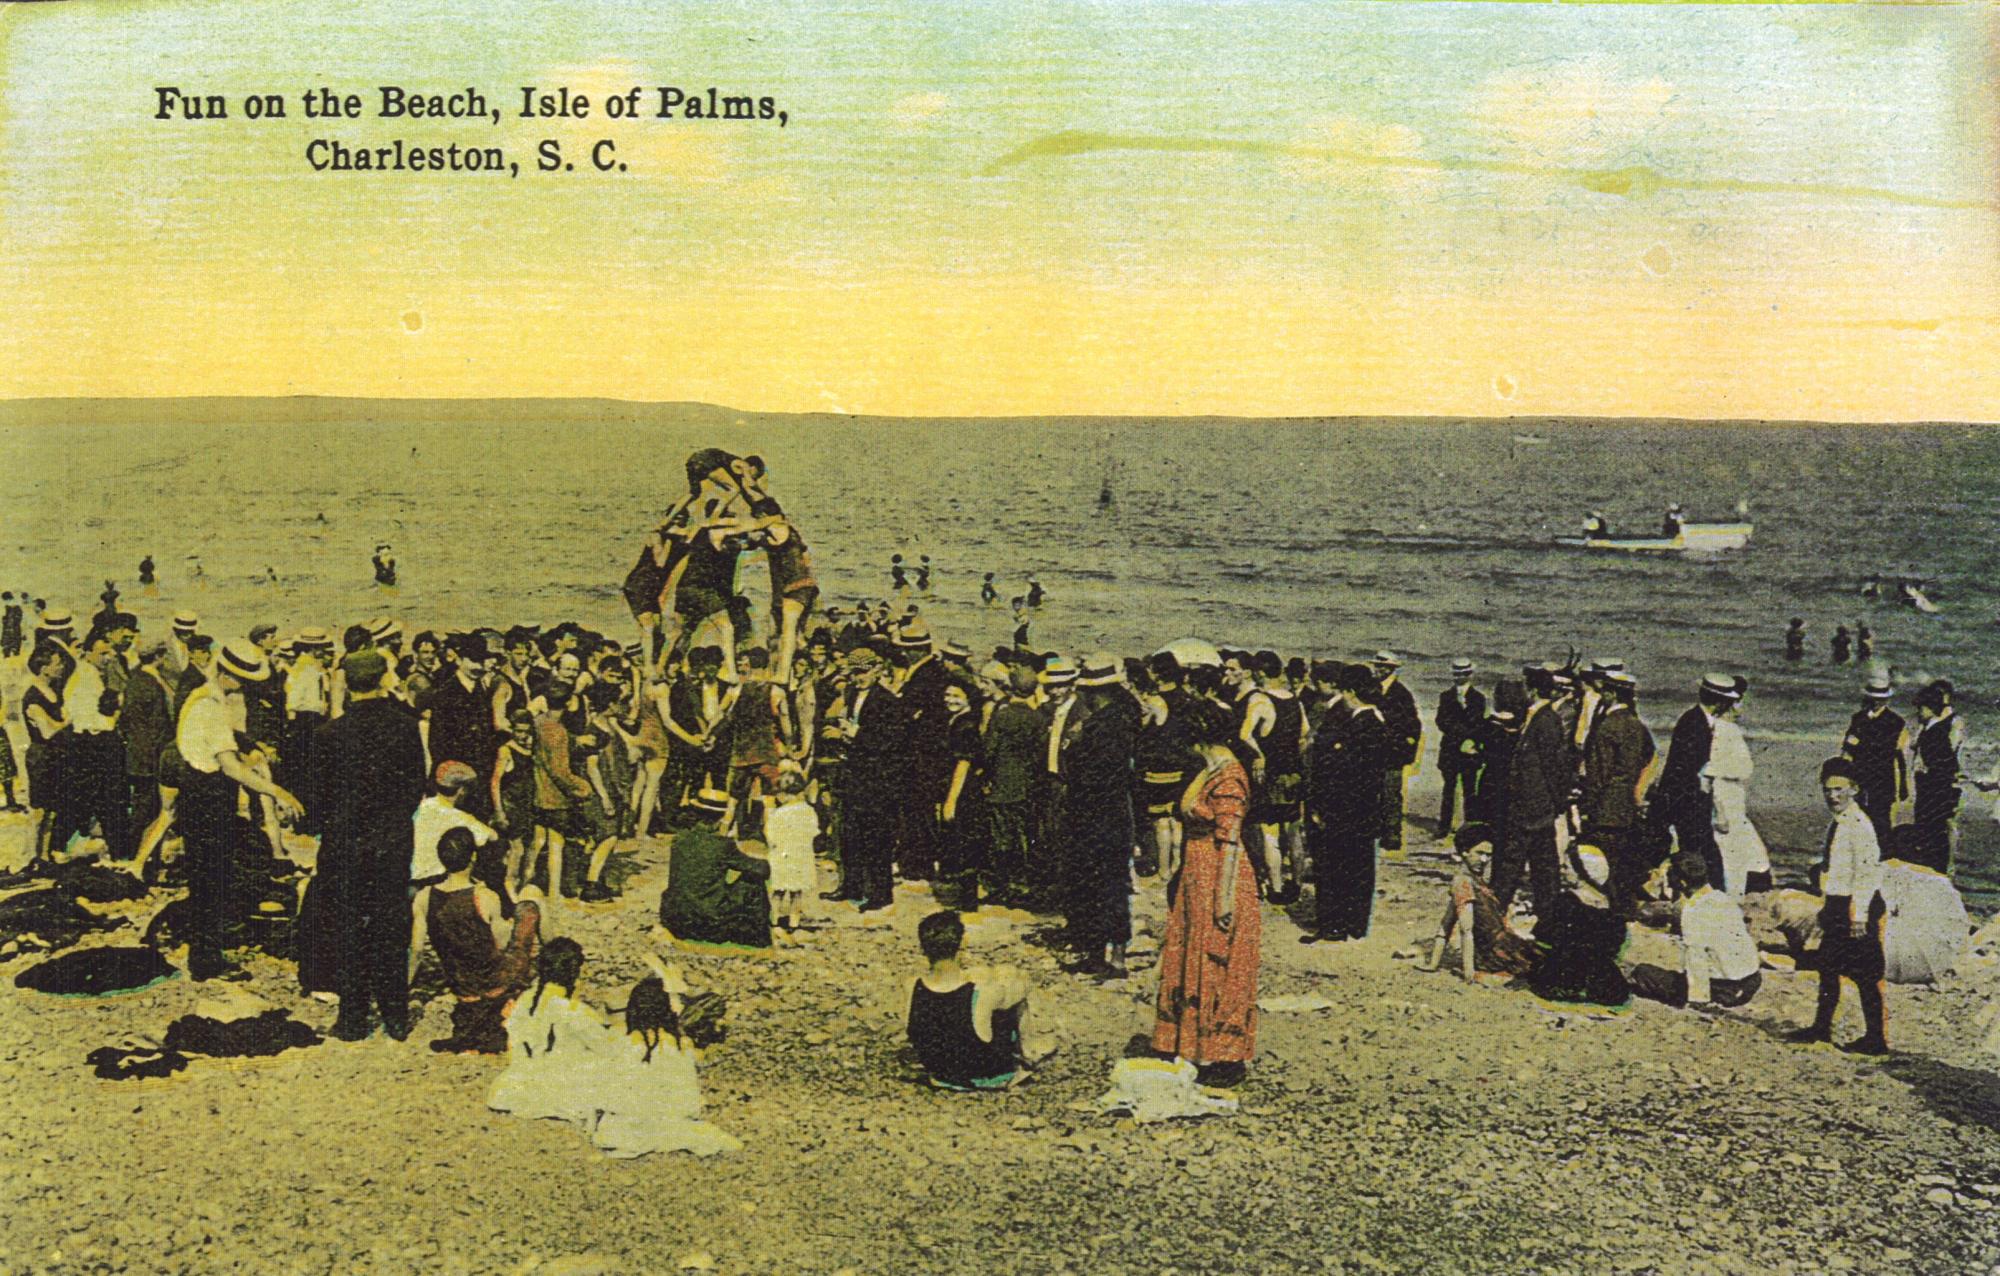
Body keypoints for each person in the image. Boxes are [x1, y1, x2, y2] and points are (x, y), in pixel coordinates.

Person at [315, 649, 427, 1039]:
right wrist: (392, 821)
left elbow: (318, 798)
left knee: (347, 927)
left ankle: (352, 1018)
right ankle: (395, 1016)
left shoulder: (330, 734)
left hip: (344, 842)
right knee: (391, 924)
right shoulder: (405, 726)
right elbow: (416, 785)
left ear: (347, 684)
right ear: (382, 680)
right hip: (391, 840)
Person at [176, 640, 304, 981]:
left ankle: (206, 951)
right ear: (228, 676)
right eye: (242, 683)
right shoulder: (212, 708)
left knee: (209, 878)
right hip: (208, 795)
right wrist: (277, 792)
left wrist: (249, 745)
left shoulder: (202, 696)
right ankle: (205, 961)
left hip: (198, 793)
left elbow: (228, 738)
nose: (244, 690)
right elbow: (231, 767)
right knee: (210, 880)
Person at [1151, 700, 1258, 1088]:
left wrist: (1225, 898)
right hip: (1198, 870)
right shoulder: (1211, 769)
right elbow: (1186, 807)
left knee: (1218, 957)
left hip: (1218, 873)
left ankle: (1224, 1054)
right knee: (1191, 949)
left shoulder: (1229, 777)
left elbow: (1230, 840)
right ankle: (1190, 1042)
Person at [411, 827, 544, 1053]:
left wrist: (407, 984)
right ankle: (555, 963)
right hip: (497, 980)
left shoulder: (424, 897)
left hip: (463, 986)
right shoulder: (483, 896)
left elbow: (416, 951)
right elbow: (503, 945)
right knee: (531, 898)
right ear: (473, 857)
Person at [1788, 758, 1889, 1054]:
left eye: (1839, 789)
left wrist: (1859, 916)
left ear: (1854, 789)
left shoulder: (1860, 825)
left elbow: (1867, 874)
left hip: (1856, 908)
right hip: (1838, 904)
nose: (1833, 796)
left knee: (1866, 975)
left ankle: (1876, 1039)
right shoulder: (1841, 821)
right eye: (1828, 790)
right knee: (1828, 968)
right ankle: (1821, 1028)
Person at [588, 971, 740, 1157]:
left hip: (622, 1129)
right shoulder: (679, 1045)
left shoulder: (622, 1040)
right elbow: (688, 1100)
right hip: (668, 1124)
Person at [907, 910, 1052, 1090]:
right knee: (1012, 994)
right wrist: (1015, 976)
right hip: (981, 1075)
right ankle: (1028, 1053)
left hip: (939, 1072)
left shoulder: (913, 986)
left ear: (923, 949)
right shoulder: (982, 992)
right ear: (961, 946)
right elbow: (1021, 991)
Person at [1063, 654, 1139, 977]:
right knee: (1112, 886)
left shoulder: (1100, 727)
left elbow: (1086, 775)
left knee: (1097, 885)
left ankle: (1103, 954)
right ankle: (1113, 954)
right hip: (1115, 814)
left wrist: (1072, 746)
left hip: (1094, 815)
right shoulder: (1123, 718)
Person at [1303, 662, 1386, 943]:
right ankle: (1354, 923)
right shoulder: (1373, 721)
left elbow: (1342, 775)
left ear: (1351, 691)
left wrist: (1321, 808)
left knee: (1335, 867)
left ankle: (1335, 924)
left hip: (1343, 809)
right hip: (1364, 809)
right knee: (1359, 868)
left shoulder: (1361, 725)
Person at [488, 938, 614, 1123]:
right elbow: (607, 1047)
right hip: (559, 1086)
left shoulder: (526, 1000)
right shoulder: (572, 1010)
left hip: (516, 1085)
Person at [1650, 673, 1737, 900]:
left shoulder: (1694, 720)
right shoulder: (1696, 723)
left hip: (1685, 798)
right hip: (1687, 799)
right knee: (1701, 850)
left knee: (1697, 849)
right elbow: (1685, 769)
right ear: (1720, 702)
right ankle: (1714, 894)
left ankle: (1705, 893)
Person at [1419, 823, 1542, 980]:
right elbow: (1465, 930)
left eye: (1488, 855)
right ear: (1464, 852)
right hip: (1495, 954)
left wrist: (1433, 964)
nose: (1484, 860)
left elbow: (1446, 925)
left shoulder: (1473, 881)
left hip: (1503, 946)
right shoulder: (1463, 883)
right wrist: (1469, 972)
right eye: (1479, 853)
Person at [1494, 666, 1570, 915]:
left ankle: (1498, 909)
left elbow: (1553, 768)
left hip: (1534, 807)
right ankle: (1546, 913)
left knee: (1516, 863)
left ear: (1534, 690)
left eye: (1526, 686)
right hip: (1533, 806)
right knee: (1543, 865)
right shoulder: (1539, 717)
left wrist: (1555, 802)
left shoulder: (1546, 720)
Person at [1579, 669, 1656, 910]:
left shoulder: (1607, 727)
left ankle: (1615, 910)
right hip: (1626, 804)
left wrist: (1588, 806)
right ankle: (1626, 906)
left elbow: (1598, 774)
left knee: (1603, 863)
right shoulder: (1637, 725)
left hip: (1606, 805)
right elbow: (1649, 758)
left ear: (1611, 695)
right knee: (1623, 861)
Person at [658, 788, 772, 949]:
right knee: (754, 882)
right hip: (708, 919)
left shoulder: (680, 838)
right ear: (721, 816)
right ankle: (758, 939)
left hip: (677, 917)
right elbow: (762, 870)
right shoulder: (722, 845)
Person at [56, 625, 132, 861]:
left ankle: (60, 847)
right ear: (86, 653)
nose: (108, 659)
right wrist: (117, 716)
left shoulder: (90, 675)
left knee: (91, 802)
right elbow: (96, 721)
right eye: (102, 654)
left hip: (89, 745)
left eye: (109, 654)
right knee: (106, 802)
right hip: (92, 745)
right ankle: (119, 853)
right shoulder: (85, 678)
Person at [982, 666, 1044, 907]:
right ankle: (1021, 884)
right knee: (1022, 836)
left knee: (1000, 837)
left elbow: (989, 750)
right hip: (1026, 786)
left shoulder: (1003, 715)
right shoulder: (1037, 718)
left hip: (1002, 784)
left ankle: (1002, 885)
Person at [1703, 681, 1770, 895]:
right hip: (1724, 799)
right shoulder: (1721, 730)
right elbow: (1709, 774)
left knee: (1748, 856)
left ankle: (1738, 897)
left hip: (1734, 800)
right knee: (1732, 858)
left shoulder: (1728, 729)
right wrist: (1719, 811)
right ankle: (1732, 900)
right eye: (1739, 702)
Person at [936, 682, 991, 911]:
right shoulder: (958, 720)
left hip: (963, 791)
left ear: (969, 698)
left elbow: (963, 763)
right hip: (957, 788)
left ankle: (967, 901)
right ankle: (964, 899)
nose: (950, 700)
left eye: (957, 695)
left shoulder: (966, 724)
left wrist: (951, 800)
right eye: (947, 695)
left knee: (965, 843)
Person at [412, 760, 501, 893]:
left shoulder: (422, 806)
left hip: (414, 881)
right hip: (438, 883)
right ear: (461, 790)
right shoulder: (462, 818)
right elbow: (493, 837)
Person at [1841, 676, 1907, 849]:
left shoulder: (1895, 721)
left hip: (1882, 776)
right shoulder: (1859, 718)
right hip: (1860, 773)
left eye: (1880, 699)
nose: (1876, 702)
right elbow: (1848, 746)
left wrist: (1903, 785)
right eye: (1874, 698)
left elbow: (1888, 750)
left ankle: (1884, 852)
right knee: (1858, 813)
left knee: (1881, 817)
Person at [1908, 681, 1963, 873]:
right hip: (1929, 780)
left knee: (1944, 822)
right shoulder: (1928, 723)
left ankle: (1947, 864)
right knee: (1926, 820)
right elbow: (1914, 745)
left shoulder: (1953, 722)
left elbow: (1950, 752)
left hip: (1943, 780)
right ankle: (1932, 861)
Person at [1371, 652, 1420, 854]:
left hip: (1392, 753)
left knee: (1390, 794)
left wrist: (1405, 752)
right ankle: (1381, 832)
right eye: (1377, 666)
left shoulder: (1401, 694)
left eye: (1382, 667)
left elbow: (1412, 725)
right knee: (1376, 793)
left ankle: (1392, 836)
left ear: (1391, 669)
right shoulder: (1374, 688)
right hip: (1375, 751)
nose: (1378, 670)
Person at [761, 768, 820, 933]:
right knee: (797, 892)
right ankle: (794, 922)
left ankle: (774, 920)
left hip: (782, 856)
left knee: (778, 891)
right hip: (801, 856)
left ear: (782, 793)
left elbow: (770, 834)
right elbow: (813, 832)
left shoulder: (779, 813)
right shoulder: (809, 811)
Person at [1434, 659, 1485, 837]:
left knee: (1469, 790)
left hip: (1468, 750)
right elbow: (1440, 721)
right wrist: (1462, 735)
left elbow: (1478, 724)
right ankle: (1444, 826)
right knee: (1448, 789)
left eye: (1463, 674)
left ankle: (1470, 825)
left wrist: (1464, 737)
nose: (1459, 678)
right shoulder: (1446, 696)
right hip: (1451, 749)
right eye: (1456, 674)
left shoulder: (1478, 698)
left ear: (1470, 675)